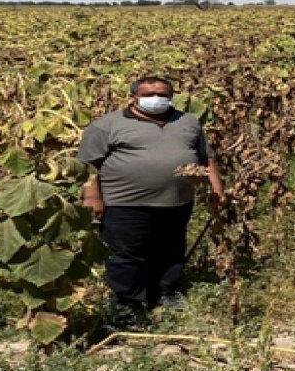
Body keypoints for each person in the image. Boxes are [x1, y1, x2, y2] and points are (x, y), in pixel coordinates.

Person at [76, 75, 226, 315]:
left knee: (170, 249)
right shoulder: (107, 125)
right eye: (148, 95)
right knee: (126, 253)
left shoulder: (187, 121)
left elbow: (206, 157)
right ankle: (129, 302)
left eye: (162, 95)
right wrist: (93, 197)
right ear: (133, 98)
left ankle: (166, 292)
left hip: (176, 201)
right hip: (124, 202)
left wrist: (217, 190)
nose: (156, 99)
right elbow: (87, 164)